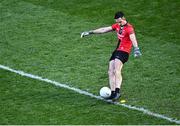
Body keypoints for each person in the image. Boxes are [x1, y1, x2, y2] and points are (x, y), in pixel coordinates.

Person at [81, 11, 142, 100]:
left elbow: (133, 38)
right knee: (110, 71)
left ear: (124, 18)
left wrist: (136, 49)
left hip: (124, 52)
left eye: (120, 21)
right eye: (117, 22)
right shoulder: (117, 26)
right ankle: (113, 93)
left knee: (117, 70)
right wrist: (90, 32)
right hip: (117, 51)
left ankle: (117, 92)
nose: (119, 23)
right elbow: (104, 30)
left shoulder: (129, 28)